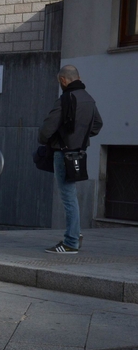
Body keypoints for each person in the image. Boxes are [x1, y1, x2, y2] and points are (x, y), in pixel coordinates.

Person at [38, 65, 103, 254]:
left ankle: (71, 241)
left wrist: (45, 140)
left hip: (63, 153)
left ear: (63, 80)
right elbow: (98, 124)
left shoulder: (65, 99)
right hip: (79, 153)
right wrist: (81, 136)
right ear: (78, 77)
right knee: (71, 195)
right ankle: (75, 234)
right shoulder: (89, 99)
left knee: (68, 197)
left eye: (61, 81)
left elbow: (47, 129)